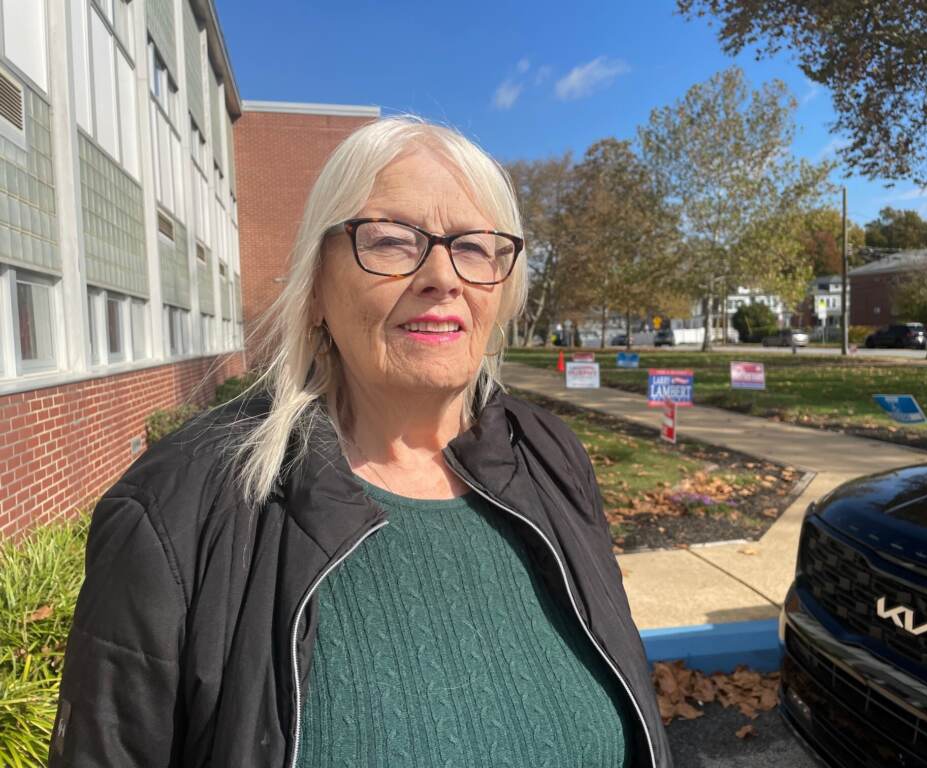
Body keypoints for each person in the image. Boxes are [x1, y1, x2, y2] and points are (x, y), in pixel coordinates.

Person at [49, 116, 673, 767]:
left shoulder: (551, 456)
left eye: (476, 246)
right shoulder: (178, 511)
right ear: (316, 286)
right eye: (392, 240)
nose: (443, 276)